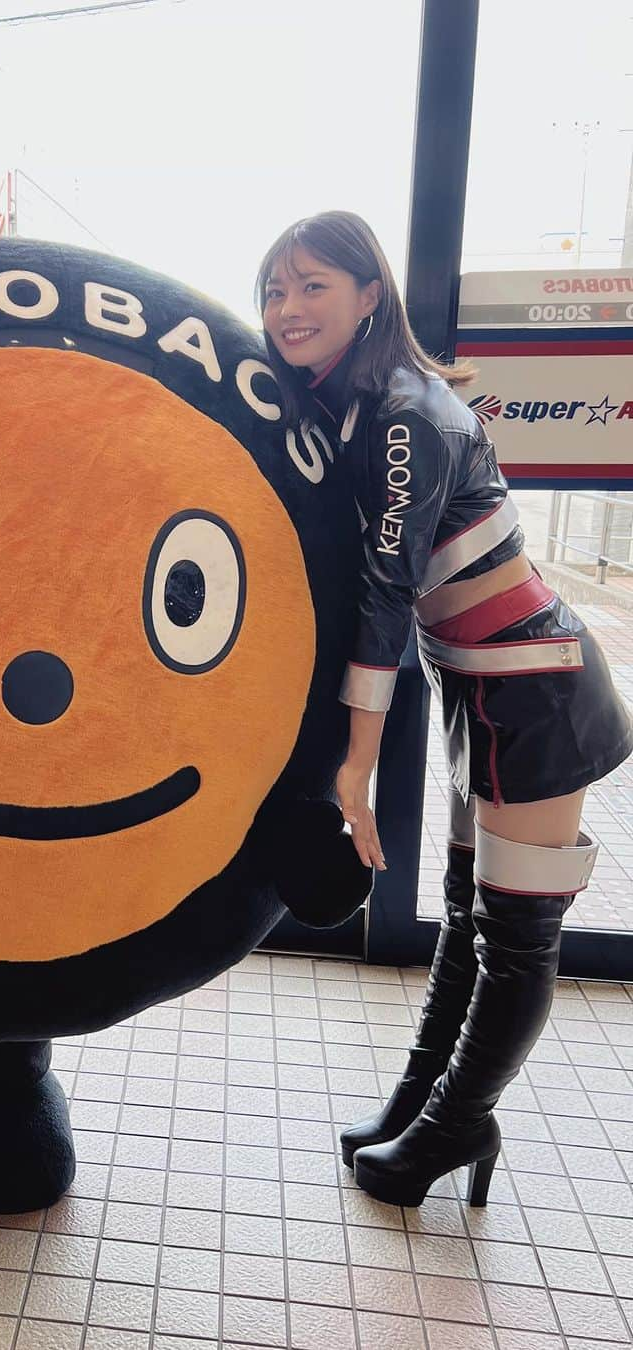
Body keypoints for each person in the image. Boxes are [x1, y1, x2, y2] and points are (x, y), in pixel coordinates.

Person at [256, 210, 633, 1209]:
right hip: (484, 683)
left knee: (517, 933)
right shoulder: (361, 401)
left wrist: (356, 761)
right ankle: (425, 1103)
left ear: (370, 292)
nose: (288, 309)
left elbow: (385, 590)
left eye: (312, 286)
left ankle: (456, 1127)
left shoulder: (401, 412)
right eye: (276, 289)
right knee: (470, 917)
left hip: (538, 691)